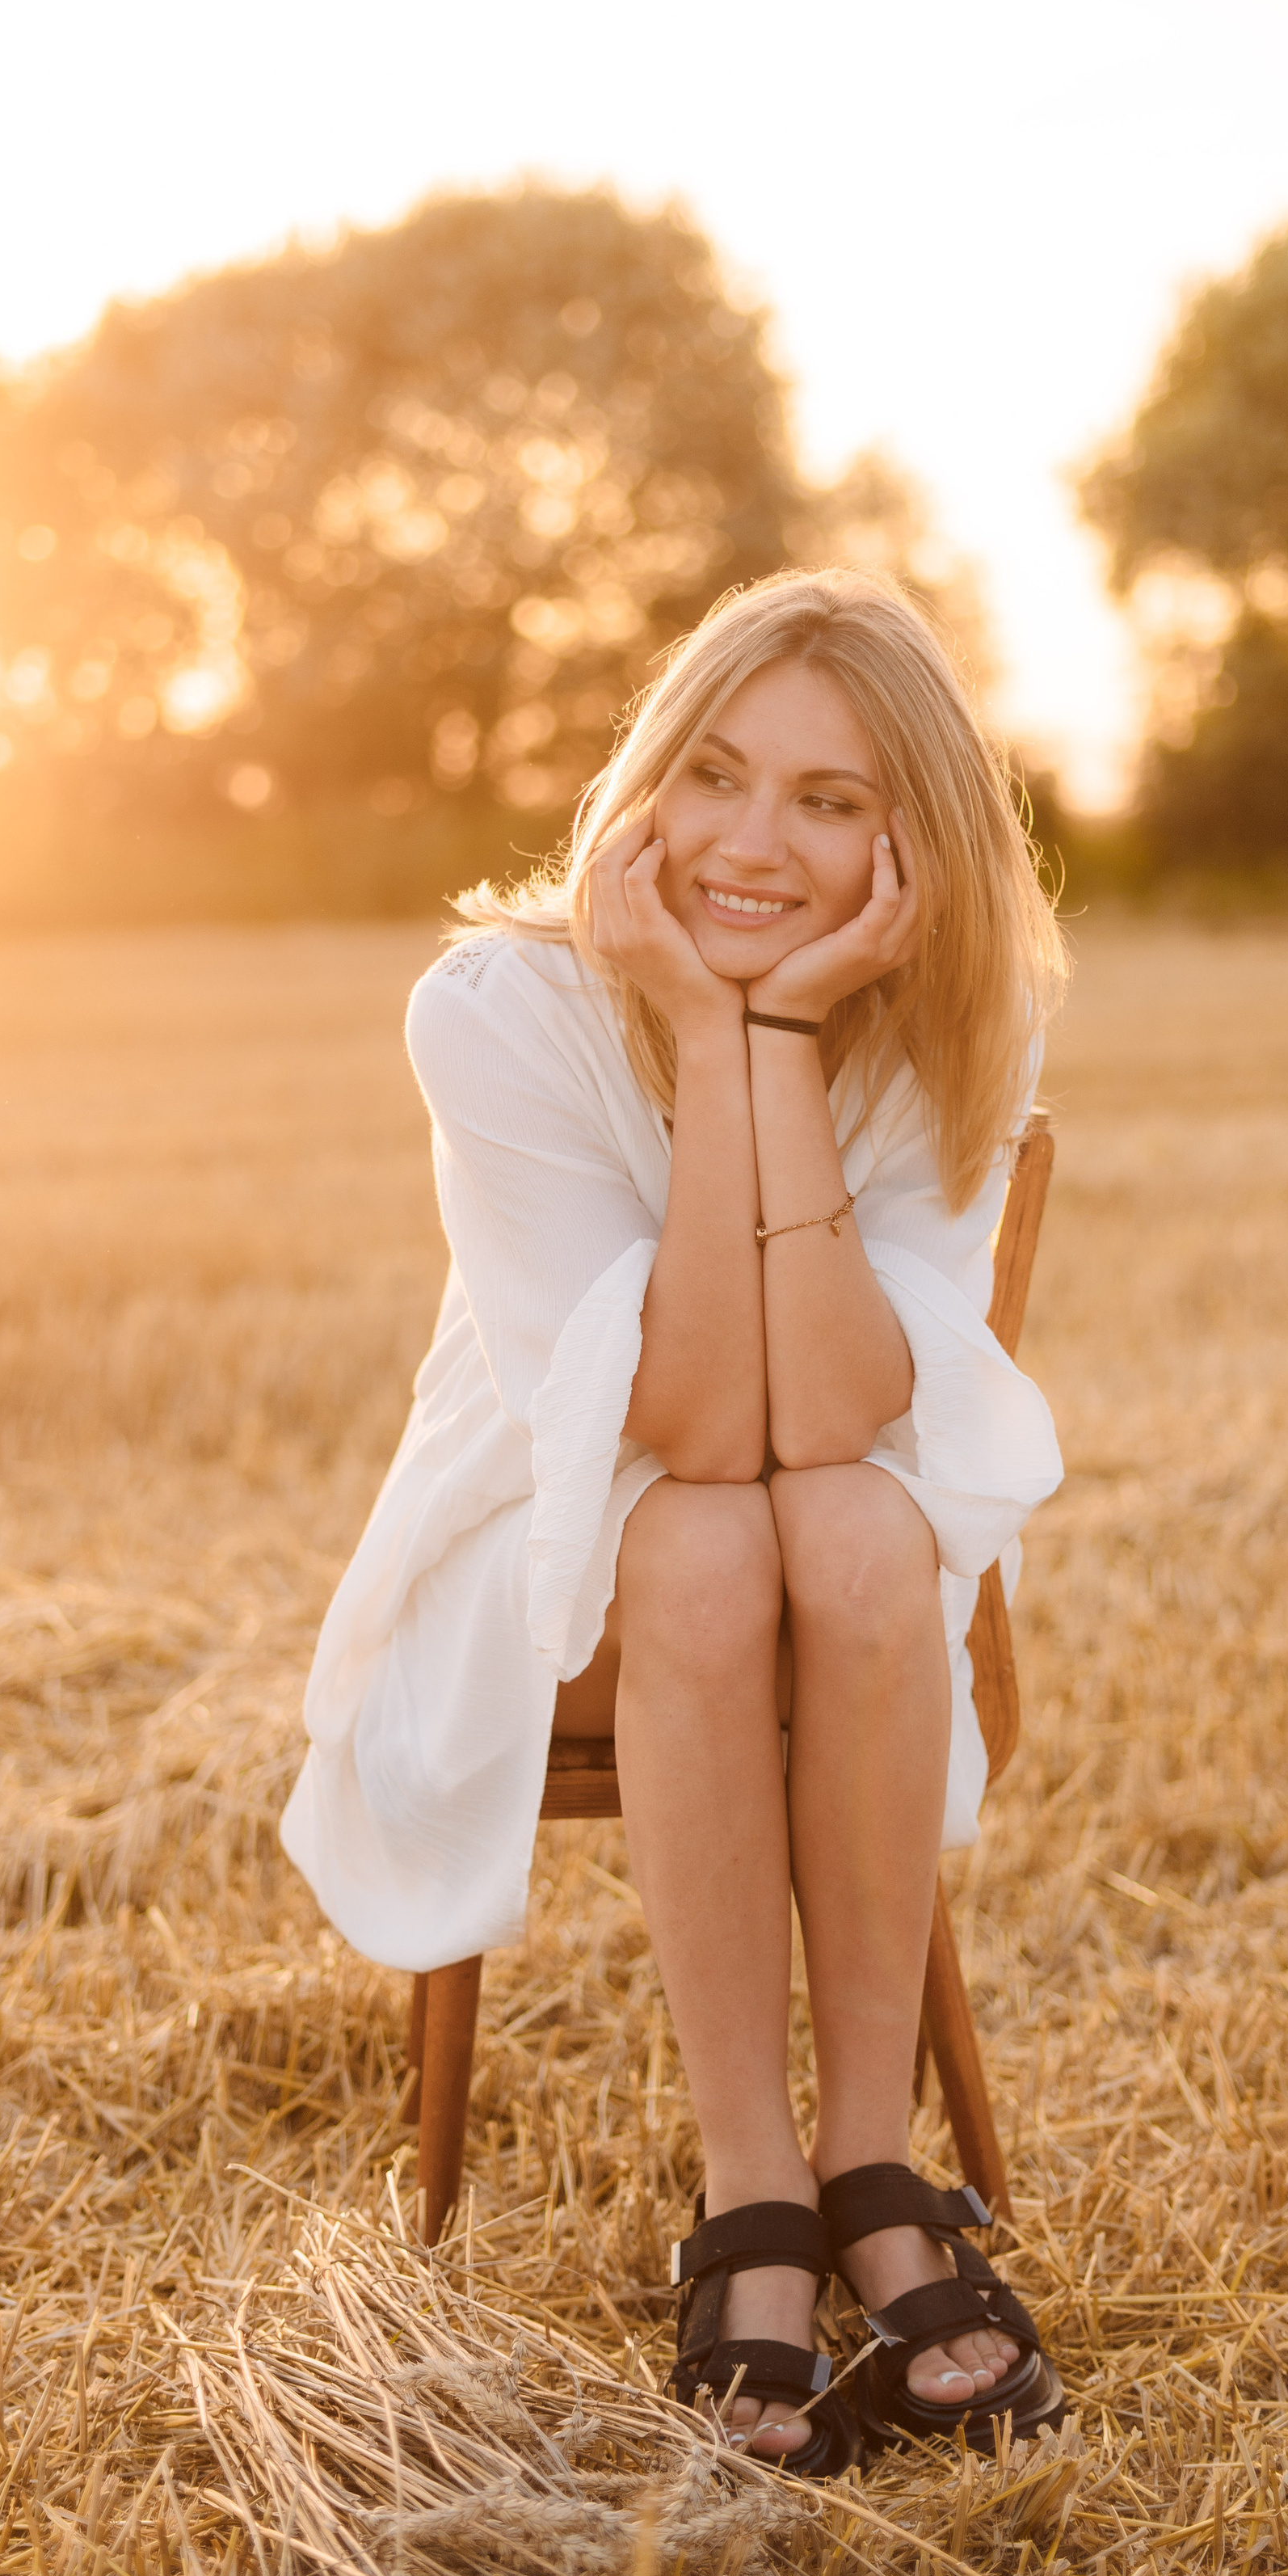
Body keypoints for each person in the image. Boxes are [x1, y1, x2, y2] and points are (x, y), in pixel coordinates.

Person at [283, 567, 1068, 2467]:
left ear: (913, 843)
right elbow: (699, 1431)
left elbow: (834, 1415)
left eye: (826, 799)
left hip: (832, 1533)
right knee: (711, 1533)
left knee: (857, 1529)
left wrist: (779, 1036)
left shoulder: (958, 1025)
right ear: (648, 778)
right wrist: (719, 1038)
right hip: (540, 1558)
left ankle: (865, 2162)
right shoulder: (497, 1007)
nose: (747, 844)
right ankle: (755, 2199)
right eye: (712, 774)